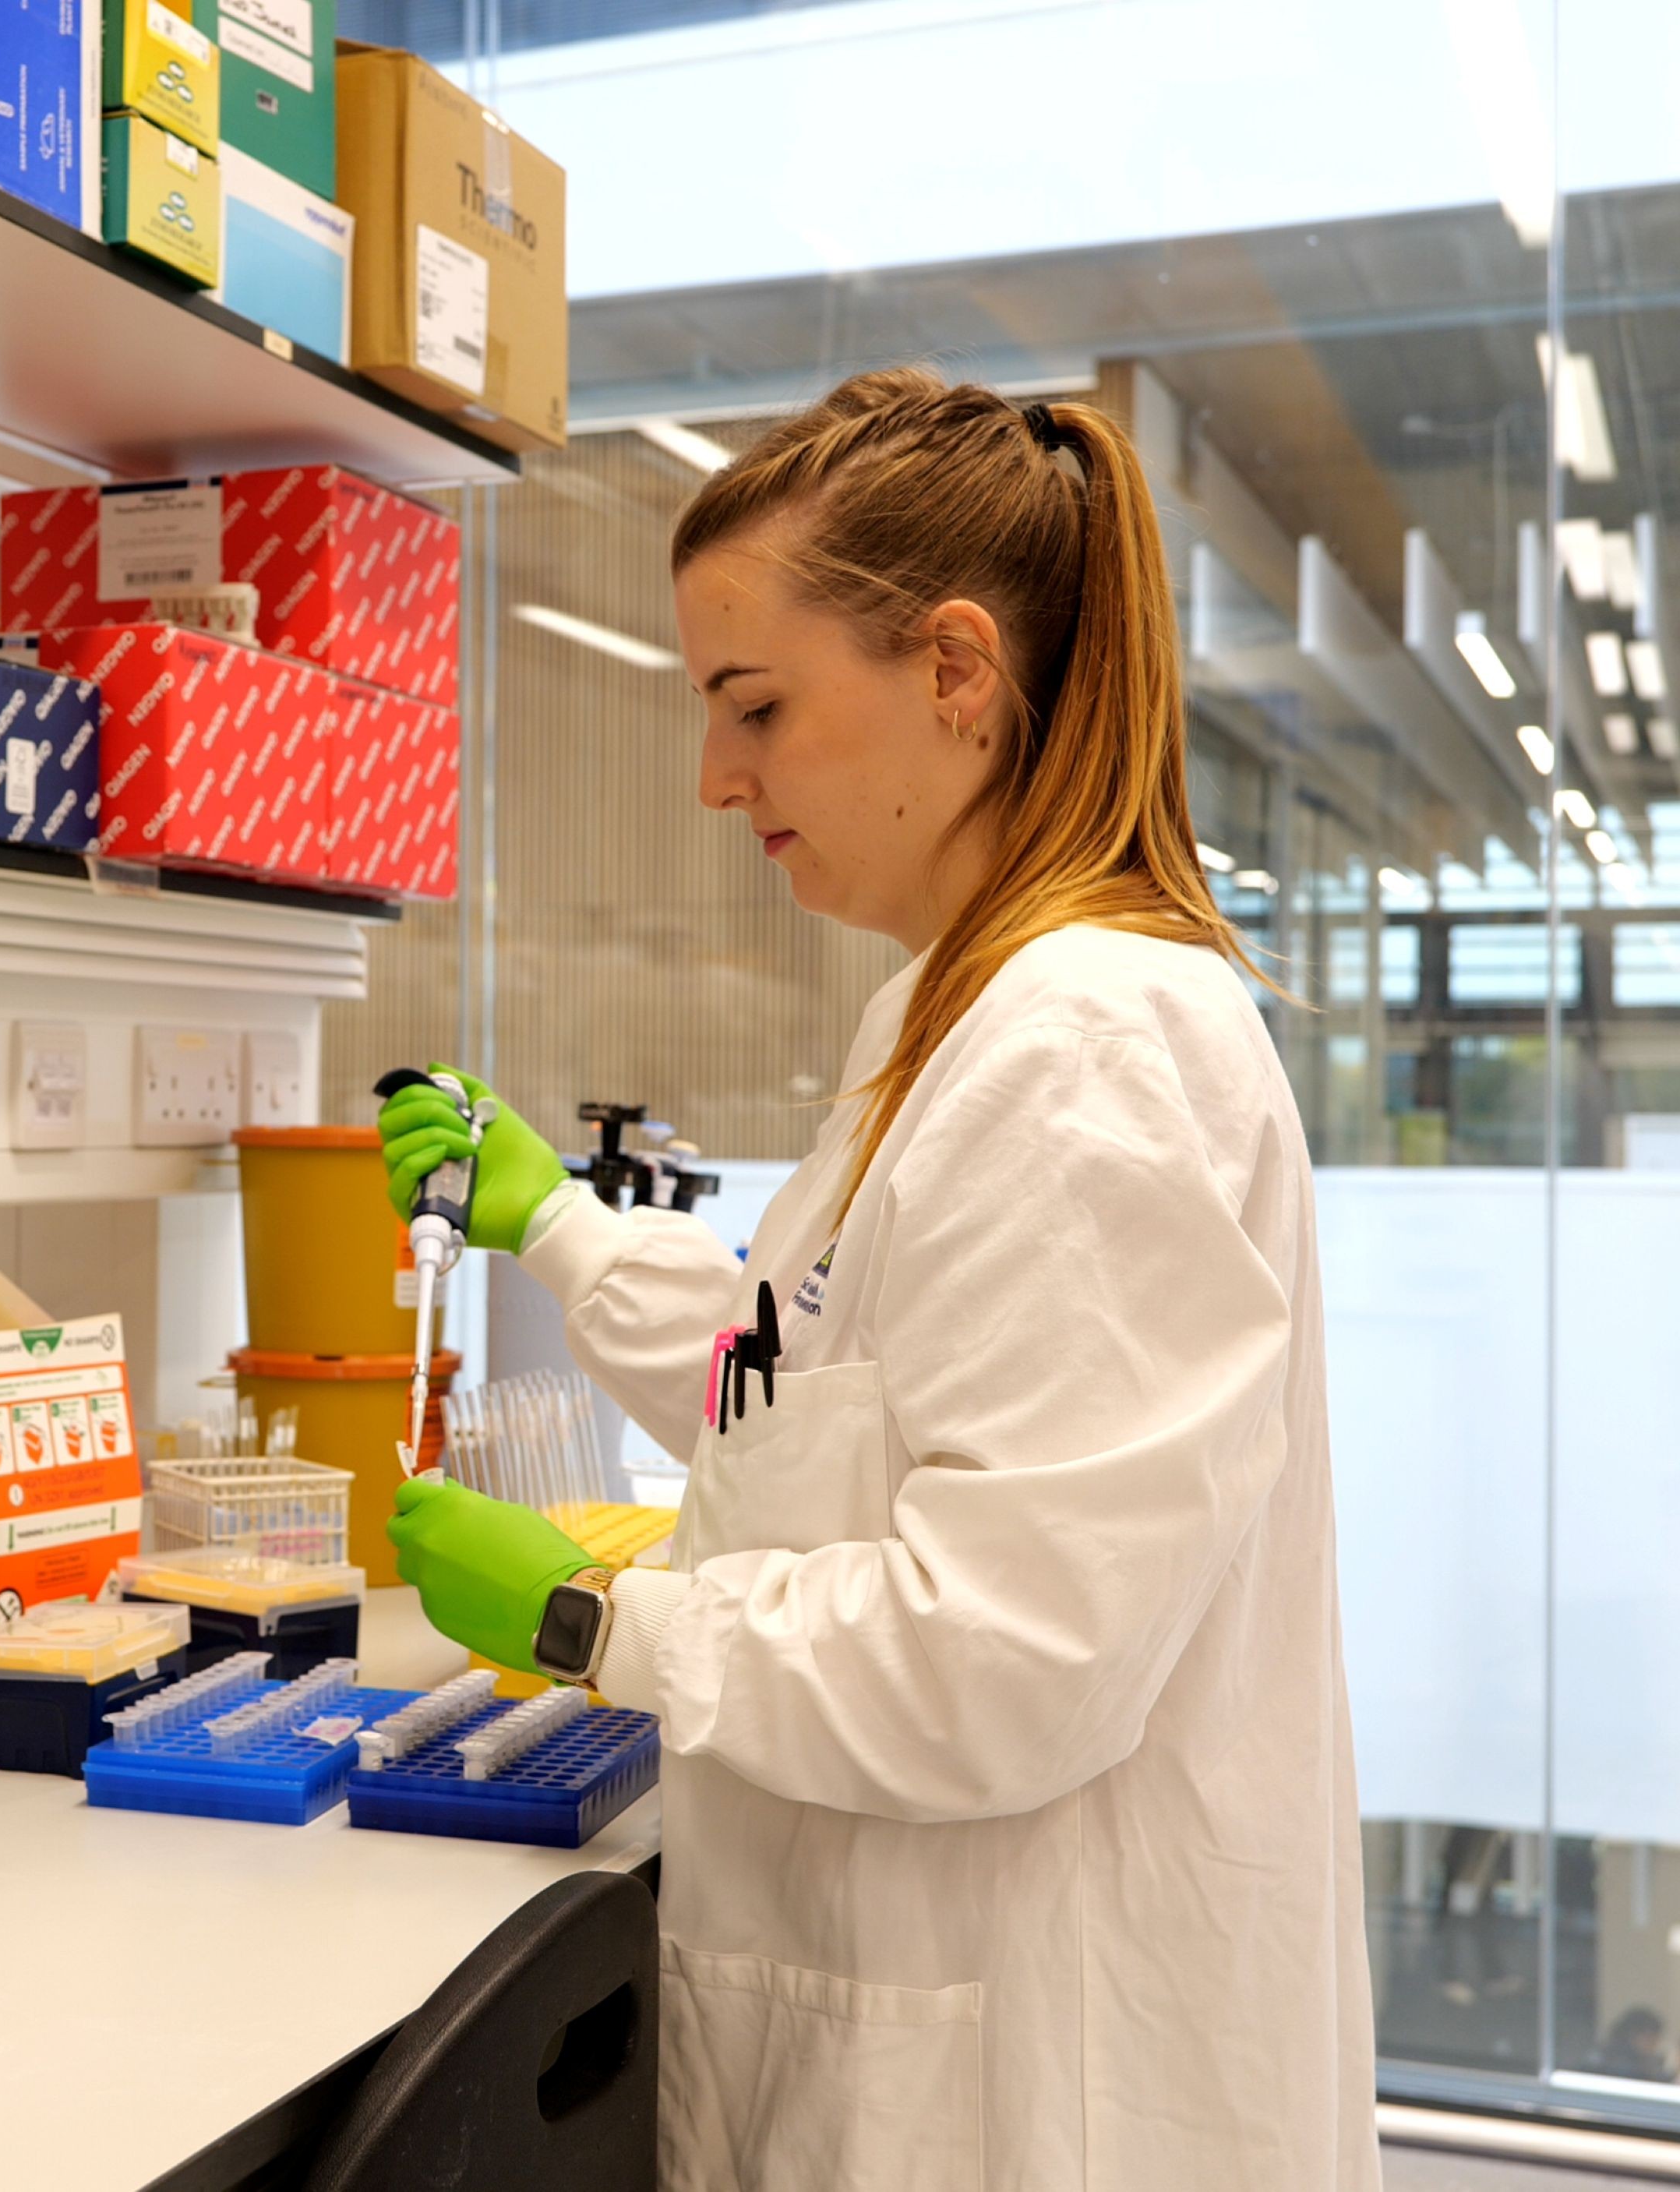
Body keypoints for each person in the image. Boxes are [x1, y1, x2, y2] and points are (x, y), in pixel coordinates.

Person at [378, 369, 1375, 2189]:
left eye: (753, 704)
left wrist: (600, 1629)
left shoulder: (1087, 1050)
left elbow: (1011, 1657)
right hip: (908, 2016)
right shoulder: (953, 1007)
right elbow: (813, 1388)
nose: (713, 776)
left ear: (956, 673)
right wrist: (557, 1223)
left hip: (1029, 2084)